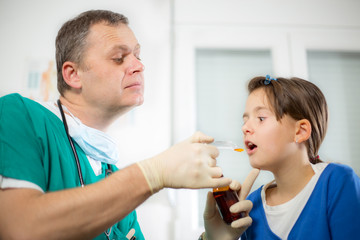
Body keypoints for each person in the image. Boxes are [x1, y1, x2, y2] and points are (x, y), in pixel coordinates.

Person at [0, 10, 255, 240]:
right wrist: (153, 174)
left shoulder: (110, 175)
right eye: (119, 58)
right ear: (73, 74)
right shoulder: (19, 114)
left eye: (138, 55)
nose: (139, 66)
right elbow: (19, 228)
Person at [240, 75, 360, 239]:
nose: (245, 128)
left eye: (261, 118)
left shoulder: (337, 181)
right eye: (245, 120)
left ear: (300, 131)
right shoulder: (251, 206)